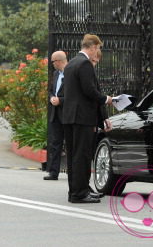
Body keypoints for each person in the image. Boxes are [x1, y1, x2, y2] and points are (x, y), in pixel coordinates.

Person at [62, 34, 113, 203]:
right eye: (98, 48)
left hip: (70, 117)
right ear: (92, 47)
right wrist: (106, 99)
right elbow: (89, 91)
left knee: (73, 156)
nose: (97, 52)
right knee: (82, 155)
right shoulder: (84, 63)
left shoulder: (71, 64)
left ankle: (76, 190)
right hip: (82, 117)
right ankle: (80, 193)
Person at [44, 51, 67, 181]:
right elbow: (51, 90)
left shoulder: (71, 74)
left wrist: (61, 100)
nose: (52, 64)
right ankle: (53, 172)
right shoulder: (56, 74)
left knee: (70, 144)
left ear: (58, 61)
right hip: (55, 114)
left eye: (53, 61)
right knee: (55, 144)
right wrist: (52, 97)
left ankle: (72, 171)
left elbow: (74, 95)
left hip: (67, 114)